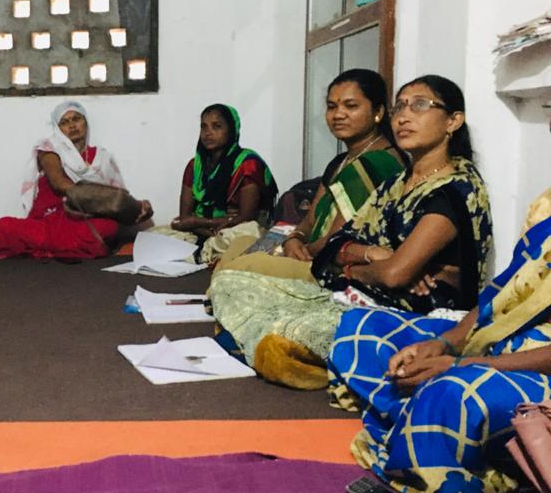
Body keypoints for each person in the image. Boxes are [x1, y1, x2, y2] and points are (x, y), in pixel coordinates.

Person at [209, 75, 492, 389]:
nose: (404, 116)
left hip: (412, 314)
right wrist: (373, 255)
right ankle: (318, 358)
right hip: (357, 295)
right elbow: (341, 242)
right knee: (228, 283)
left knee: (293, 328)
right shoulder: (398, 183)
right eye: (401, 106)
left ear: (453, 121)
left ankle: (314, 358)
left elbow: (395, 276)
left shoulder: (455, 190)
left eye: (420, 106)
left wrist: (358, 270)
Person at [328, 188, 551, 493]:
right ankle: (419, 409)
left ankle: (422, 410)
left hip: (538, 371)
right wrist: (444, 344)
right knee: (362, 328)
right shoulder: (546, 206)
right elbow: (500, 297)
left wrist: (462, 365)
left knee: (456, 394)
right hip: (496, 341)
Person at [217, 69, 405, 281]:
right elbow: (310, 220)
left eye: (351, 106)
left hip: (333, 265)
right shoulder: (341, 161)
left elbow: (337, 239)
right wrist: (294, 238)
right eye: (332, 106)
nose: (338, 114)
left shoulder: (376, 163)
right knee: (240, 245)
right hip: (310, 250)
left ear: (378, 111)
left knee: (239, 268)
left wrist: (297, 250)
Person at [0, 101, 152, 259]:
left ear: (85, 123)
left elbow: (116, 196)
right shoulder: (49, 149)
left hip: (81, 219)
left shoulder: (101, 156)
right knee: (4, 225)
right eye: (64, 122)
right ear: (58, 129)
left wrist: (135, 207)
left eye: (77, 119)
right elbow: (59, 183)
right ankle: (68, 246)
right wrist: (98, 196)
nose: (72, 125)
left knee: (108, 226)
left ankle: (53, 246)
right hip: (48, 221)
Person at [166, 103, 277, 263]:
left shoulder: (247, 163)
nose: (208, 133)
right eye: (204, 127)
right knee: (159, 234)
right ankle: (207, 252)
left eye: (216, 126)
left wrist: (197, 221)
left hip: (233, 229)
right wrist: (204, 226)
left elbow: (247, 217)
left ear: (231, 130)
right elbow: (184, 216)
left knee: (248, 235)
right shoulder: (194, 166)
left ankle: (202, 253)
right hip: (202, 230)